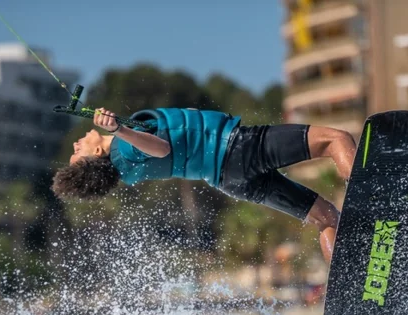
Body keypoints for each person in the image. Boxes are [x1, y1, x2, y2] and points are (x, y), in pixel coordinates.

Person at [52, 107, 356, 262]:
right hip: (235, 148)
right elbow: (161, 148)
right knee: (337, 140)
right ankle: (370, 194)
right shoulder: (126, 147)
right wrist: (120, 129)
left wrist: (121, 127)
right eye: (76, 153)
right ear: (96, 153)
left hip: (228, 180)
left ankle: (346, 283)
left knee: (327, 218)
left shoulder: (125, 169)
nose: (76, 144)